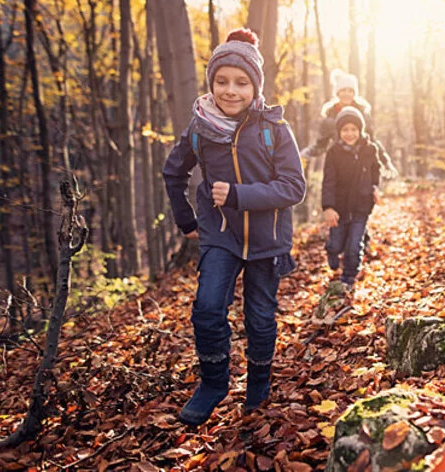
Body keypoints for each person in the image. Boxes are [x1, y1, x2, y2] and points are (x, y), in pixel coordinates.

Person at [162, 28, 306, 426]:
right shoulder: (199, 128)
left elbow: (294, 187)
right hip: (220, 237)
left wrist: (241, 194)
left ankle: (259, 381)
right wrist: (186, 220)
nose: (230, 90)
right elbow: (173, 173)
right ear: (211, 84)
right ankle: (213, 383)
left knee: (259, 318)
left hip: (267, 239)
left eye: (241, 83)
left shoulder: (273, 129)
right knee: (207, 309)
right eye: (221, 81)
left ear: (255, 86)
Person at [321, 106, 381, 289]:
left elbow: (375, 170)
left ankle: (348, 278)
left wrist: (374, 187)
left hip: (361, 205)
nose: (350, 134)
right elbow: (328, 181)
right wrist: (328, 207)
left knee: (354, 246)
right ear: (339, 132)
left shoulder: (370, 149)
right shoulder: (333, 153)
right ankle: (331, 251)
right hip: (339, 206)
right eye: (345, 130)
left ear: (360, 130)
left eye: (354, 129)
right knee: (337, 243)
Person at [302, 69, 398, 178]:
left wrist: (386, 162)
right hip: (340, 166)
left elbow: (373, 141)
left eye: (350, 91)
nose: (347, 94)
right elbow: (321, 145)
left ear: (354, 93)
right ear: (337, 93)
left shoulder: (364, 115)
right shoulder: (330, 119)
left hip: (362, 166)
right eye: (343, 90)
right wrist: (305, 154)